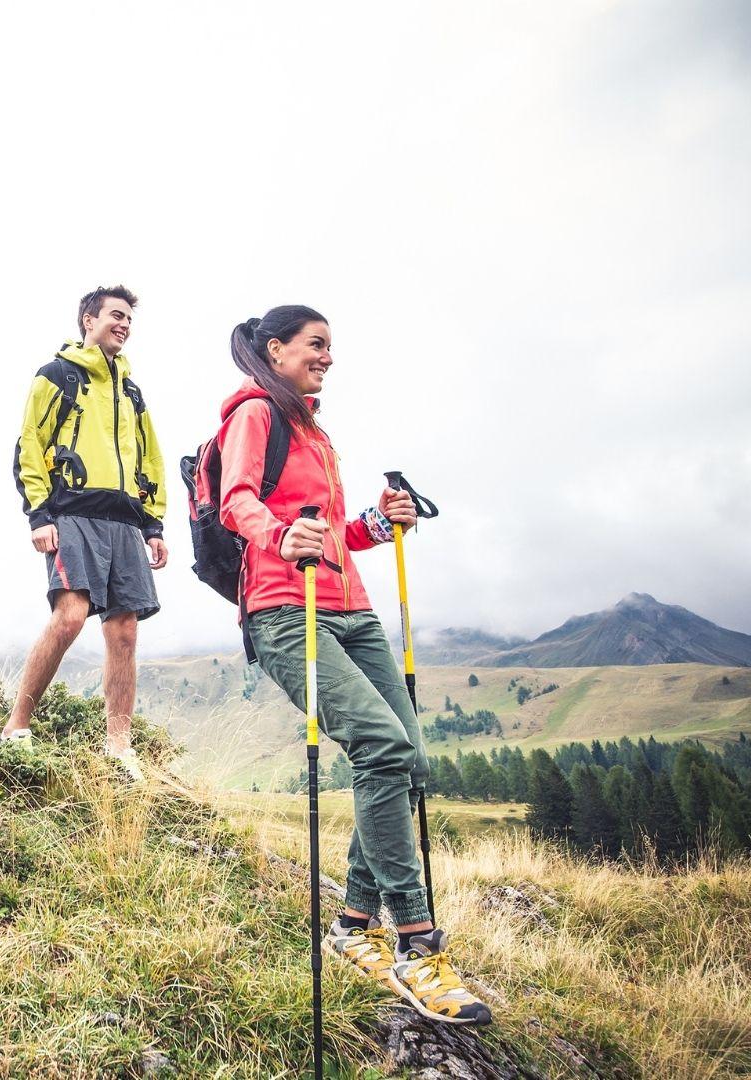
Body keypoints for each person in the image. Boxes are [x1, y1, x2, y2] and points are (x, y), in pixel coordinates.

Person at [216, 305, 492, 1026]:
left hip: (353, 608)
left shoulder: (314, 430)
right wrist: (282, 535)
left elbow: (328, 533)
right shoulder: (254, 414)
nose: (328, 357)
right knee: (380, 744)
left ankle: (353, 926)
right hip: (285, 608)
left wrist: (374, 522)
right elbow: (235, 501)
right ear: (274, 350)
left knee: (411, 759)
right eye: (316, 345)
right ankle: (415, 942)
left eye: (331, 347)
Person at [0, 286, 167, 780]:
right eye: (116, 315)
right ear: (88, 319)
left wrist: (153, 523)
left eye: (129, 319)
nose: (125, 325)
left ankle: (118, 747)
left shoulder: (131, 392)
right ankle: (16, 727)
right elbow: (29, 445)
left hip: (124, 521)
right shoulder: (57, 376)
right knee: (70, 616)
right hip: (71, 513)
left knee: (125, 631)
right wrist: (39, 514)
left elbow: (150, 458)